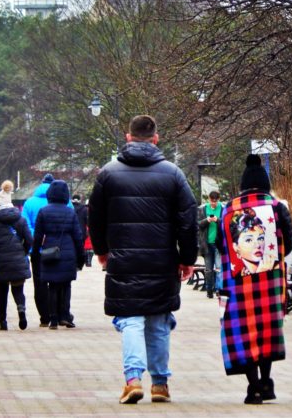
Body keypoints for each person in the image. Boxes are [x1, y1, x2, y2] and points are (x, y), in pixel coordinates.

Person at [88, 114, 198, 405]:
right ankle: (160, 384)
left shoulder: (108, 174)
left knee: (131, 320)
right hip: (162, 261)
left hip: (123, 260)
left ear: (128, 137)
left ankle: (133, 379)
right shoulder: (172, 173)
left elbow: (95, 218)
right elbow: (188, 220)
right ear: (156, 138)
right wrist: (187, 259)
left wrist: (101, 251)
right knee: (160, 321)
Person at [217, 154, 292, 404]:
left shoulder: (228, 210)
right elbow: (289, 244)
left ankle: (254, 387)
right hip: (270, 282)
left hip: (238, 284)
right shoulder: (277, 207)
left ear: (242, 185)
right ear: (265, 183)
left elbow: (221, 246)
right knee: (268, 330)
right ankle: (267, 382)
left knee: (244, 331)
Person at [22, 173, 73, 327]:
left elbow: (26, 225)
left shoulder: (29, 202)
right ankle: (61, 313)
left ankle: (45, 317)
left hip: (39, 250)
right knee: (62, 282)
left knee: (41, 284)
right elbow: (72, 227)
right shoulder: (68, 204)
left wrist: (35, 243)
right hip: (63, 249)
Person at [32, 180, 84, 330]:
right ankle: (65, 316)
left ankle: (53, 319)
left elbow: (38, 235)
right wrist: (80, 258)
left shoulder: (44, 211)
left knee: (52, 286)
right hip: (68, 251)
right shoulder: (70, 211)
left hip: (50, 251)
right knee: (66, 285)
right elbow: (78, 236)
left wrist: (35, 253)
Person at [0, 180, 33, 331]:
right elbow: (30, 239)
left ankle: (3, 321)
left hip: (1, 260)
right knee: (18, 290)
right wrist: (24, 251)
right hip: (18, 259)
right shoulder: (20, 218)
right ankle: (21, 311)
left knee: (2, 292)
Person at [198, 191, 223, 298]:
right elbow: (198, 224)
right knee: (208, 269)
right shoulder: (202, 209)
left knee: (218, 268)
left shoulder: (223, 208)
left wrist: (218, 220)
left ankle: (218, 290)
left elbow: (227, 223)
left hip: (218, 243)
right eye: (212, 201)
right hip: (206, 243)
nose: (214, 203)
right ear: (209, 199)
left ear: (218, 199)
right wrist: (206, 220)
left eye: (216, 201)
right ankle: (209, 290)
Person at [71, 194, 88, 270]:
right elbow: (87, 221)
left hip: (72, 231)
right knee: (81, 248)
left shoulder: (70, 208)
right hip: (82, 231)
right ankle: (79, 264)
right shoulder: (84, 209)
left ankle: (73, 263)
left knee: (72, 247)